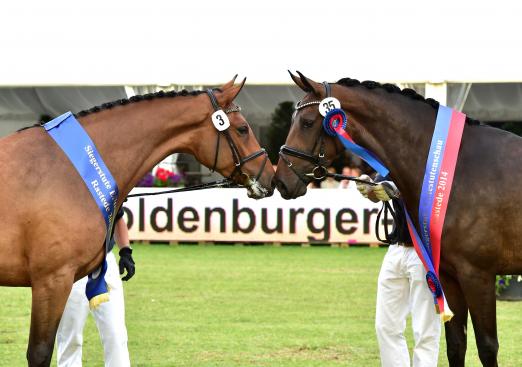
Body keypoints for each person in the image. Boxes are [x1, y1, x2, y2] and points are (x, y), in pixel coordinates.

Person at [356, 174, 440, 367]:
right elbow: (377, 192)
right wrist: (368, 188)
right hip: (396, 248)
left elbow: (431, 194)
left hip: (424, 251)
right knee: (385, 325)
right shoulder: (388, 160)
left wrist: (397, 190)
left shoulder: (432, 158)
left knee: (425, 328)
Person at [56, 207, 135, 367]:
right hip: (72, 266)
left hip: (105, 263)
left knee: (116, 333)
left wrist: (125, 250)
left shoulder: (104, 185)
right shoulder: (63, 185)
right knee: (70, 337)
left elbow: (118, 216)